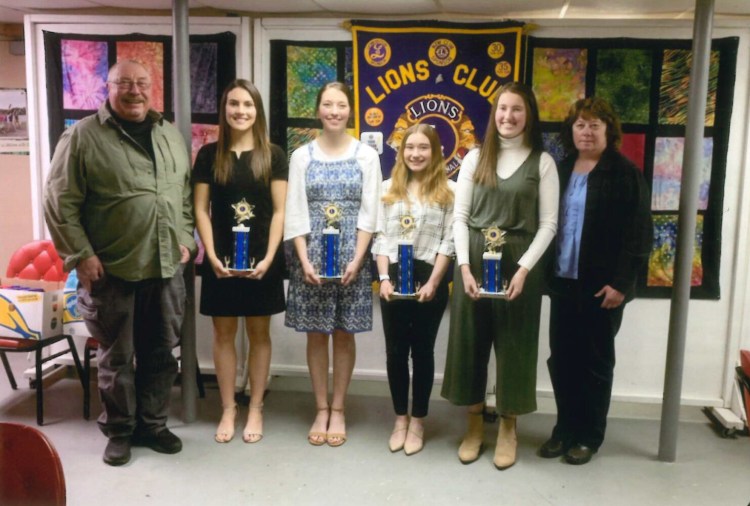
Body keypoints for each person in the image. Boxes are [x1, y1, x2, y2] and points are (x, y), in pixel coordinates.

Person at [44, 59, 195, 466]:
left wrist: (185, 238)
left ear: (152, 88)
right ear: (107, 87)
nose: (135, 90)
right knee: (116, 357)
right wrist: (81, 255)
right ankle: (120, 430)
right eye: (124, 82)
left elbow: (182, 197)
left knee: (162, 354)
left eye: (142, 83)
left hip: (165, 268)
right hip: (111, 270)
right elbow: (59, 202)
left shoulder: (169, 135)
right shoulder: (82, 137)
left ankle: (153, 424)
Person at [441, 82, 559, 469]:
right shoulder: (476, 157)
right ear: (494, 114)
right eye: (502, 109)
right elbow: (459, 217)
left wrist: (525, 269)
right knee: (470, 343)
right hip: (474, 261)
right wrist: (462, 267)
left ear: (529, 115)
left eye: (517, 110)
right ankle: (475, 425)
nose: (508, 117)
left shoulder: (542, 162)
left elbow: (549, 224)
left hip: (519, 264)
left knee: (515, 346)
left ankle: (508, 426)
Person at [540, 97, 652, 465]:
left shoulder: (623, 173)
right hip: (563, 284)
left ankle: (589, 436)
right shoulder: (561, 168)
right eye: (580, 125)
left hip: (601, 289)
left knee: (595, 364)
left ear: (608, 130)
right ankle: (564, 430)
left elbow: (638, 234)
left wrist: (621, 284)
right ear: (570, 131)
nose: (586, 132)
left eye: (594, 125)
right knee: (562, 361)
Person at [284, 81, 381, 447]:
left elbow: (371, 210)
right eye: (327, 104)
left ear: (350, 111)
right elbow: (294, 209)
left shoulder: (366, 156)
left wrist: (359, 257)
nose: (334, 111)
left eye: (341, 105)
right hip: (309, 257)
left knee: (343, 333)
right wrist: (303, 257)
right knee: (316, 333)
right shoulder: (301, 156)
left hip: (351, 257)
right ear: (318, 110)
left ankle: (338, 408)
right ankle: (320, 407)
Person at [193, 79, 288, 444]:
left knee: (259, 333)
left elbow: (280, 212)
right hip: (221, 261)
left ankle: (256, 408)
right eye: (234, 104)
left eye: (248, 105)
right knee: (223, 333)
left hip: (262, 261)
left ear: (257, 111)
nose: (240, 111)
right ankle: (229, 407)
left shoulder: (273, 155)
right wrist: (211, 254)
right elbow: (201, 208)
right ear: (224, 109)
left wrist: (269, 257)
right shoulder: (208, 154)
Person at [372, 124, 454, 456]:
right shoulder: (388, 189)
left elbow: (448, 242)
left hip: (429, 278)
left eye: (423, 148)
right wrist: (384, 278)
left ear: (435, 153)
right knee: (395, 352)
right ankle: (400, 419)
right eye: (410, 148)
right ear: (401, 152)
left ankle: (418, 421)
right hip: (393, 277)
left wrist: (434, 282)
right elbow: (380, 238)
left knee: (422, 353)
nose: (416, 154)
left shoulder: (449, 191)